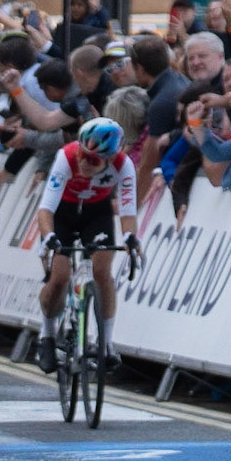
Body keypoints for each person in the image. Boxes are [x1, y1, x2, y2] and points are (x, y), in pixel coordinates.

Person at [35, 117, 141, 377]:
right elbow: (46, 209)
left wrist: (130, 237)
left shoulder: (123, 166)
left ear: (108, 158)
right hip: (62, 212)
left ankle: (106, 343)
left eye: (93, 160)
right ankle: (47, 336)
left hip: (96, 212)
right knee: (59, 278)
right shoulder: (66, 157)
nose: (84, 163)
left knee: (102, 273)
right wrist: (49, 237)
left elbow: (128, 212)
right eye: (83, 155)